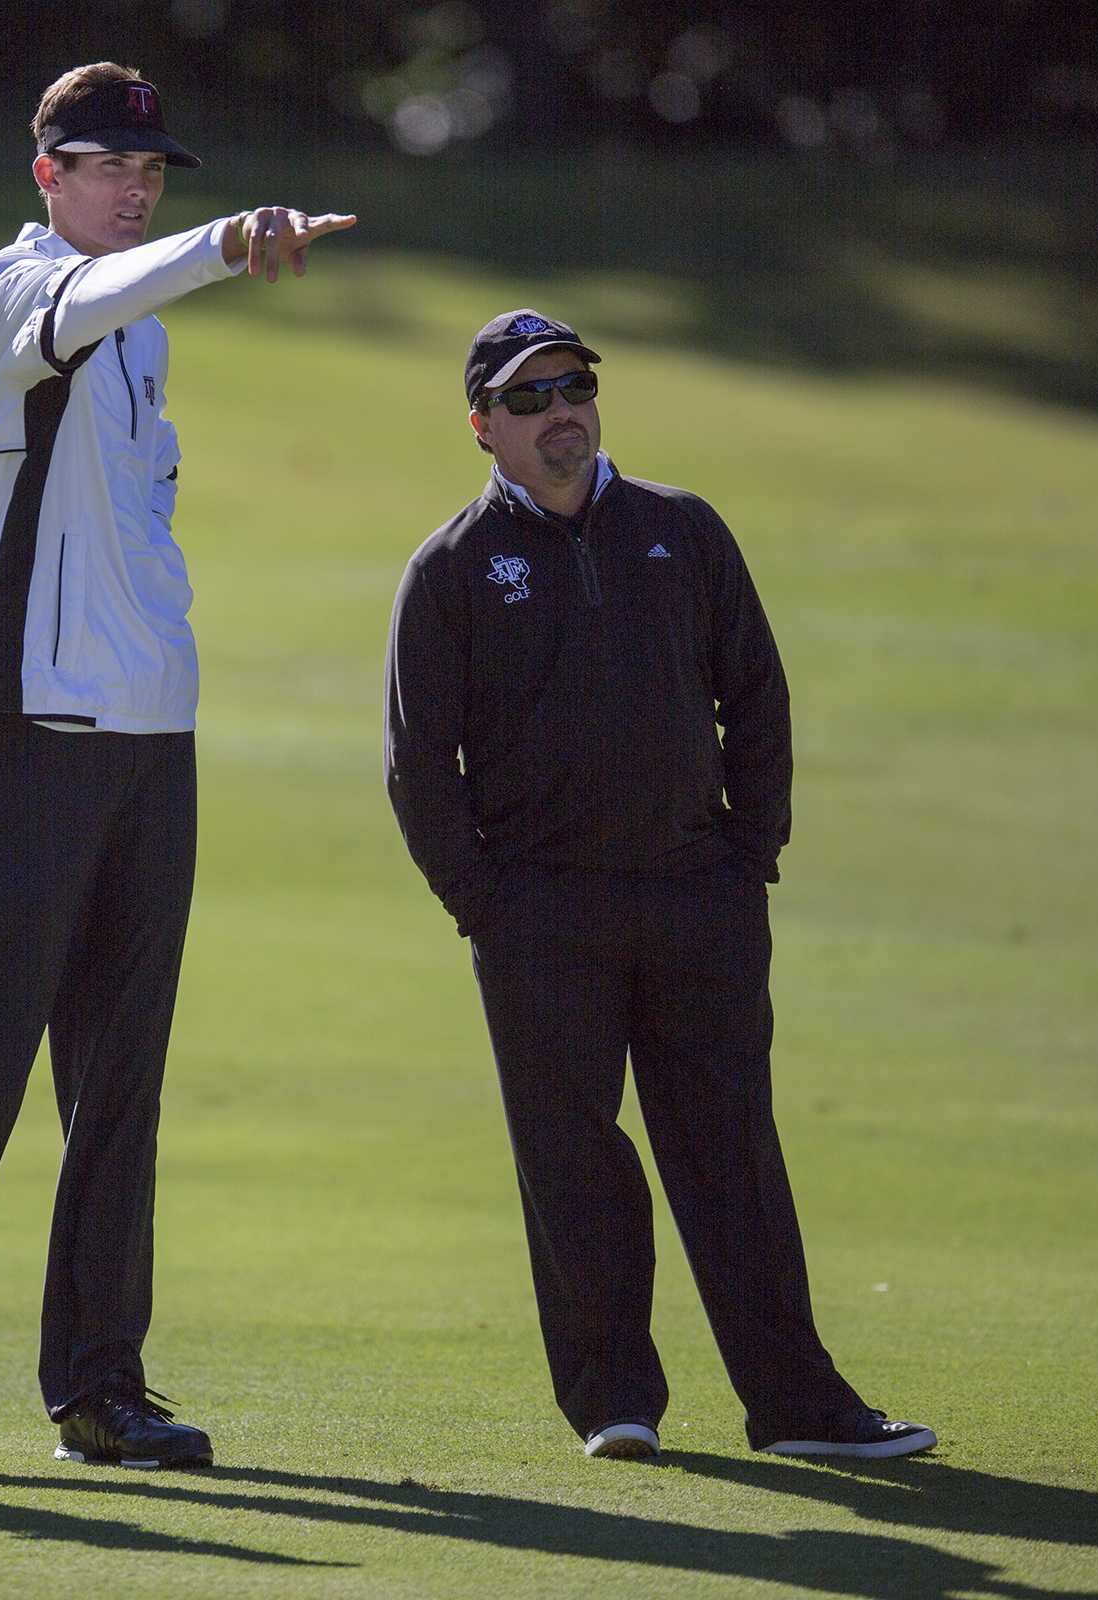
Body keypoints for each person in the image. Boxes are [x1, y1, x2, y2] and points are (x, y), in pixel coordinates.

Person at [0, 63, 356, 1477]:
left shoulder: (143, 335)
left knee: (120, 1087)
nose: (136, 189)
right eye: (110, 168)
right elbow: (85, 304)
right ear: (47, 173)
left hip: (150, 746)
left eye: (155, 174)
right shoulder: (7, 294)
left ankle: (99, 1390)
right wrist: (231, 241)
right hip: (30, 739)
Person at [383, 310, 936, 1462]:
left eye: (574, 386)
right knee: (573, 1157)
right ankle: (614, 1401)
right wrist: (483, 903)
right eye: (528, 399)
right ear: (482, 425)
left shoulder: (680, 530)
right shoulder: (450, 569)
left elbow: (759, 695)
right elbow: (416, 762)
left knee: (731, 1150)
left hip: (700, 897)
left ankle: (798, 1407)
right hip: (542, 913)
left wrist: (752, 855)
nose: (560, 414)